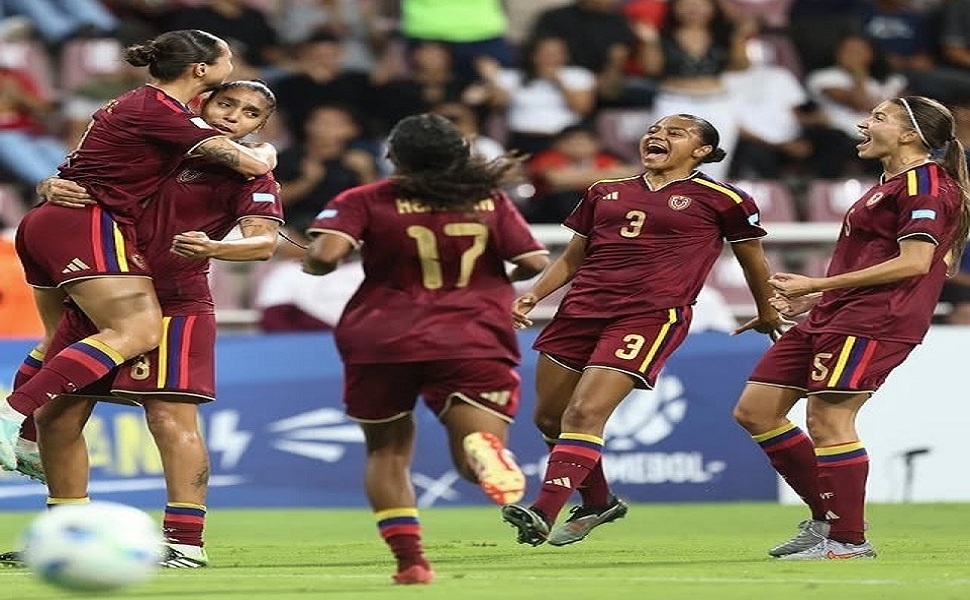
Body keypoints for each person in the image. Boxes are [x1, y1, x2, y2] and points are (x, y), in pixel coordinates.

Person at [0, 79, 283, 569]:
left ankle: (185, 544)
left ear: (261, 126)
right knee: (58, 417)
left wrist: (217, 247)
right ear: (202, 104)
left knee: (170, 418)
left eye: (250, 113)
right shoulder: (152, 149)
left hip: (175, 301)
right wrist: (50, 185)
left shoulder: (251, 176)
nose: (234, 116)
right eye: (227, 104)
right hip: (103, 289)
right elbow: (82, 177)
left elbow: (263, 243)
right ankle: (67, 535)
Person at [500, 113, 786, 547]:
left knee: (584, 413)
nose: (658, 136)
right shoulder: (603, 190)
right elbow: (573, 257)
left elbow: (753, 261)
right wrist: (533, 296)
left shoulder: (724, 199)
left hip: (648, 316)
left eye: (675, 133)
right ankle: (599, 502)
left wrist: (767, 311)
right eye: (654, 130)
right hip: (580, 312)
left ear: (702, 151)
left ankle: (542, 510)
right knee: (549, 418)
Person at [302, 113, 550, 584]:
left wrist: (312, 261)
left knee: (387, 453)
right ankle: (484, 453)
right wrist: (491, 282)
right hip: (473, 335)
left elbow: (325, 257)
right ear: (459, 156)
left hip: (383, 340)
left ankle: (411, 561)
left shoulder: (364, 198)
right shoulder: (487, 199)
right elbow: (535, 261)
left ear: (392, 157)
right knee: (473, 459)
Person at [732, 95, 969, 560]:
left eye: (878, 117)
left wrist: (818, 283)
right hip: (836, 313)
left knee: (829, 420)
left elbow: (915, 262)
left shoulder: (925, 185)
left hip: (876, 319)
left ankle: (848, 539)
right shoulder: (888, 184)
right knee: (756, 410)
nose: (863, 123)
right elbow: (872, 259)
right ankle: (827, 518)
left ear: (910, 135)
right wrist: (816, 299)